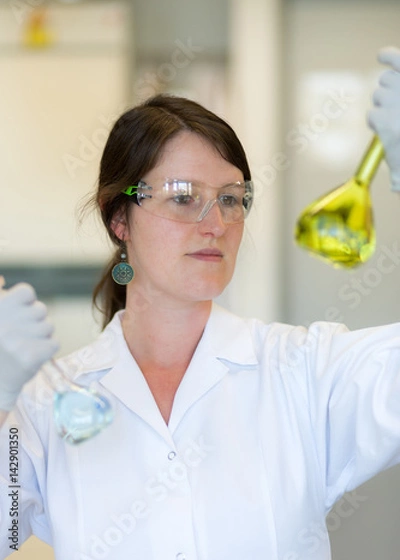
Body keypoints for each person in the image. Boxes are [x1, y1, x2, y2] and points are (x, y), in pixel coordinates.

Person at [0, 46, 400, 560]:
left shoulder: (302, 373)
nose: (215, 223)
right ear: (119, 219)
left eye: (231, 198)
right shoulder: (47, 403)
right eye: (183, 195)